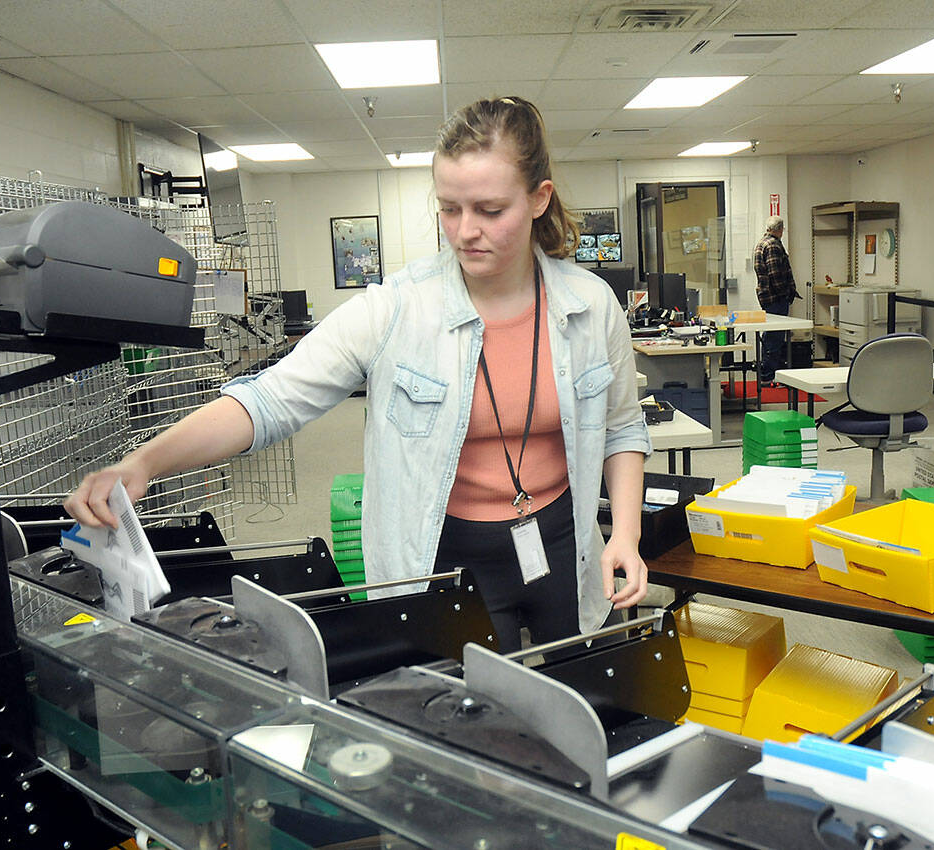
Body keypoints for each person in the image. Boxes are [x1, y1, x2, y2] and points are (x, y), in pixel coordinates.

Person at [65, 96, 651, 654]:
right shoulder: (395, 309)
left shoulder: (590, 306)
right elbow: (270, 400)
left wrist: (625, 533)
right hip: (444, 555)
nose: (465, 230)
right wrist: (145, 461)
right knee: (469, 730)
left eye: (490, 210)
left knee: (592, 706)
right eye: (448, 208)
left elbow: (623, 431)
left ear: (539, 199)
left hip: (565, 543)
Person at [753, 216, 801, 385]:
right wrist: (786, 293)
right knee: (775, 337)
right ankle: (769, 375)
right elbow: (775, 274)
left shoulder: (761, 243)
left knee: (770, 336)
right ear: (780, 229)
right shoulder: (773, 245)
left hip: (767, 297)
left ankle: (766, 373)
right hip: (776, 298)